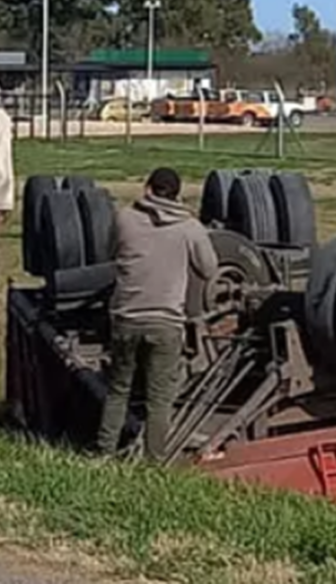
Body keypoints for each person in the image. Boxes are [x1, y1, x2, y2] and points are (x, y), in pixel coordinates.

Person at [96, 167, 218, 462]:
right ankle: (154, 463)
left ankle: (102, 454)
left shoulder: (124, 218)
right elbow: (210, 268)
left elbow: (110, 252)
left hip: (126, 318)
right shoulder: (189, 227)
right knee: (159, 399)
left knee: (118, 390)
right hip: (166, 323)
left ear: (147, 188)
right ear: (177, 194)